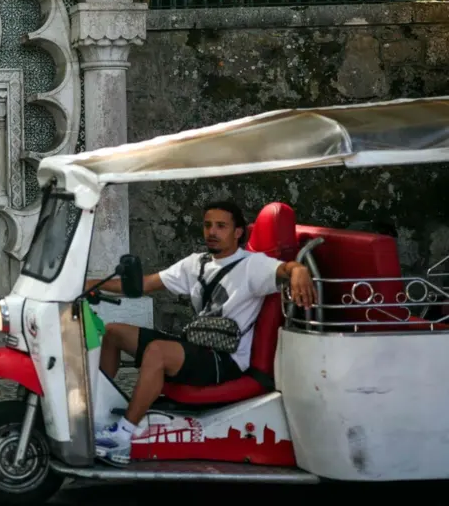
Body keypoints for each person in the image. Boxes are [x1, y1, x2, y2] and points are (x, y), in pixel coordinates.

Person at [86, 199, 317, 466]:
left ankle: (124, 435)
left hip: (225, 360)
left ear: (238, 232)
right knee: (113, 332)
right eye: (208, 225)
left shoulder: (252, 265)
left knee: (157, 351)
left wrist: (298, 269)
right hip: (196, 347)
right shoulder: (196, 263)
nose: (212, 232)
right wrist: (90, 283)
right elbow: (145, 284)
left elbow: (283, 269)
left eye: (221, 226)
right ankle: (99, 415)